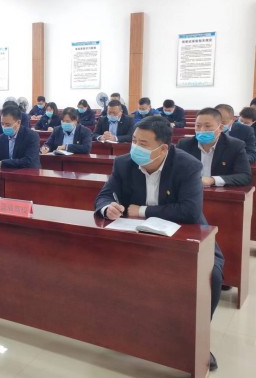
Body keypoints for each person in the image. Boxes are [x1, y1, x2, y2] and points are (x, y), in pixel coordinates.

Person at [94, 116, 224, 372]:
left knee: (213, 275)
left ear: (163, 148)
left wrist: (141, 210)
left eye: (143, 144)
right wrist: (108, 207)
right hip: (138, 239)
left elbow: (189, 211)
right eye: (134, 141)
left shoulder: (188, 165)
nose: (135, 148)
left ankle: (199, 341)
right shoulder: (124, 163)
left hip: (185, 237)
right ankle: (124, 328)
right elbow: (104, 195)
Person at [177, 107, 252, 186]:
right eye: (198, 126)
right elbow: (173, 170)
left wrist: (213, 180)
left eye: (207, 126)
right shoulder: (184, 145)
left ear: (220, 128)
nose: (202, 130)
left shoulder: (235, 146)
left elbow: (245, 176)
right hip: (190, 190)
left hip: (220, 191)